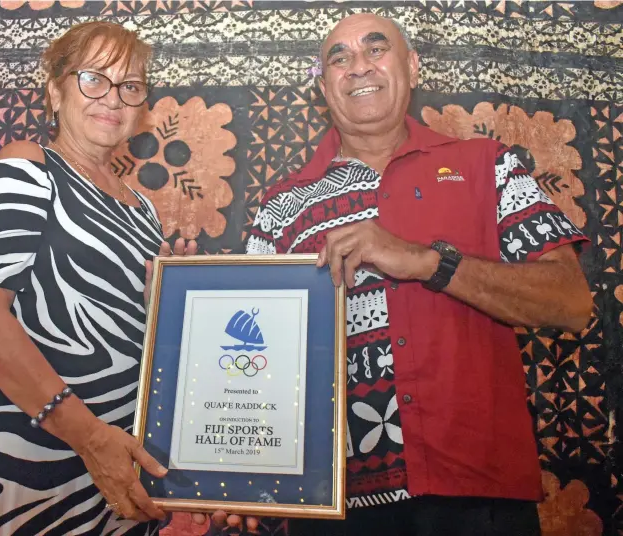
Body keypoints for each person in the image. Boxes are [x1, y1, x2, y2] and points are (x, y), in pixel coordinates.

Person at [245, 13, 592, 536]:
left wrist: (431, 262)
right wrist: (241, 473)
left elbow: (571, 302)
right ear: (323, 87)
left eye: (375, 49)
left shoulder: (487, 165)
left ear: (411, 65)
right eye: (338, 58)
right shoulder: (281, 208)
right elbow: (250, 362)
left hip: (478, 495)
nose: (357, 67)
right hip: (332, 502)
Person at [0, 21, 197, 535]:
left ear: (142, 107)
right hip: (20, 455)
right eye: (94, 78)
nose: (112, 98)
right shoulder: (30, 166)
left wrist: (171, 295)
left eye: (130, 86)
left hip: (111, 465)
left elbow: (130, 335)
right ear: (55, 90)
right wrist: (88, 436)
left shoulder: (142, 210)